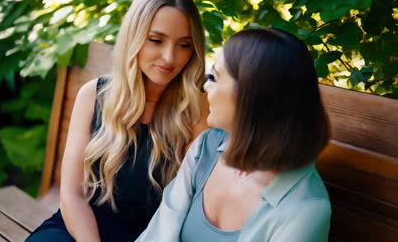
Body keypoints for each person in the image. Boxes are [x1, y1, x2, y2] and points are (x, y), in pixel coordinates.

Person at [26, 0, 208, 242]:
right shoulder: (94, 95)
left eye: (184, 45)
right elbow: (72, 194)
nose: (170, 57)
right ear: (134, 37)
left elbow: (186, 213)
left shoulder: (196, 111)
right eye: (156, 40)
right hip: (80, 229)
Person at [137, 28, 331, 242]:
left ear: (252, 95)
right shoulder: (206, 148)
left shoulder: (304, 210)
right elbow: (157, 234)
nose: (206, 86)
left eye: (214, 77)